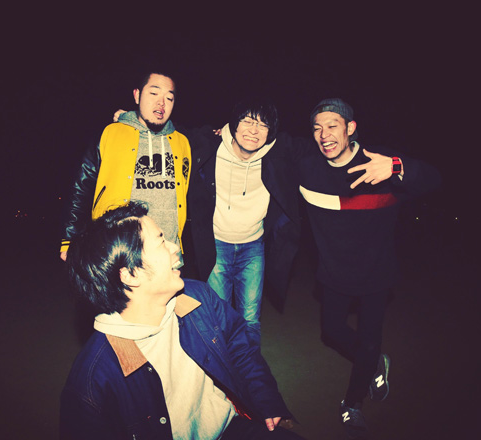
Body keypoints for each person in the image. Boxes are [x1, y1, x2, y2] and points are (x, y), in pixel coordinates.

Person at [59, 201, 305, 440]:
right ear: (130, 275)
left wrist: (265, 398)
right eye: (161, 242)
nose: (174, 247)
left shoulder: (197, 296)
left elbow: (240, 347)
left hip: (231, 426)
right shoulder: (92, 381)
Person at [298, 98, 441, 439]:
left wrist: (397, 167)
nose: (324, 134)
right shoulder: (307, 167)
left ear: (350, 128)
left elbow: (434, 179)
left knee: (367, 341)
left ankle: (353, 403)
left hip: (377, 274)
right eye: (317, 128)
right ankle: (374, 360)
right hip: (333, 273)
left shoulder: (378, 162)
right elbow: (264, 149)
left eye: (332, 125)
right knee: (332, 332)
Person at [185, 100, 302, 346]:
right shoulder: (209, 147)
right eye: (247, 121)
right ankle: (224, 369)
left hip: (253, 248)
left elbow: (318, 148)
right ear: (233, 124)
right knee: (219, 319)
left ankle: (249, 369)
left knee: (250, 321)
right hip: (216, 246)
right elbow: (171, 132)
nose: (254, 130)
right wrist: (132, 119)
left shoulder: (276, 156)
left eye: (263, 125)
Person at [59, 71, 191, 262]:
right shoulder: (110, 133)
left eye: (169, 98)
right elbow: (81, 189)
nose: (161, 103)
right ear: (137, 95)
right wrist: (69, 240)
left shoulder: (183, 142)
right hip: (117, 251)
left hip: (167, 253)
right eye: (154, 93)